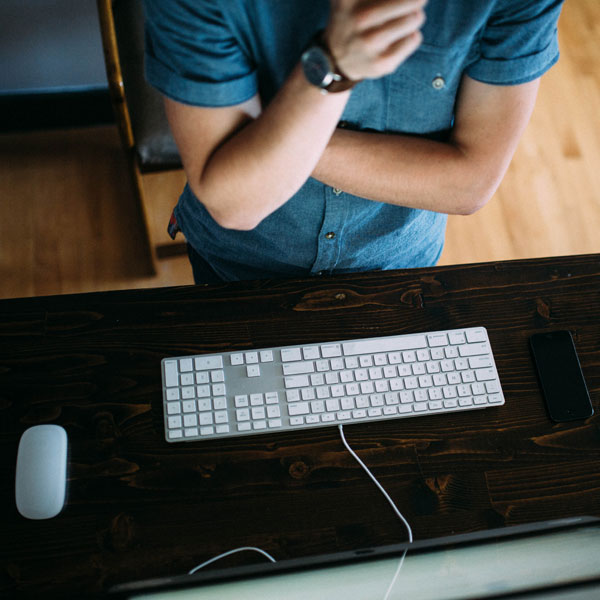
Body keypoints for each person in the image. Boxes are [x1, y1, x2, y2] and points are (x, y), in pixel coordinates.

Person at [144, 0, 564, 283]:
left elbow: (470, 183)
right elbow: (236, 203)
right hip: (238, 267)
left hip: (400, 265)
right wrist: (333, 66)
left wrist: (273, 144)